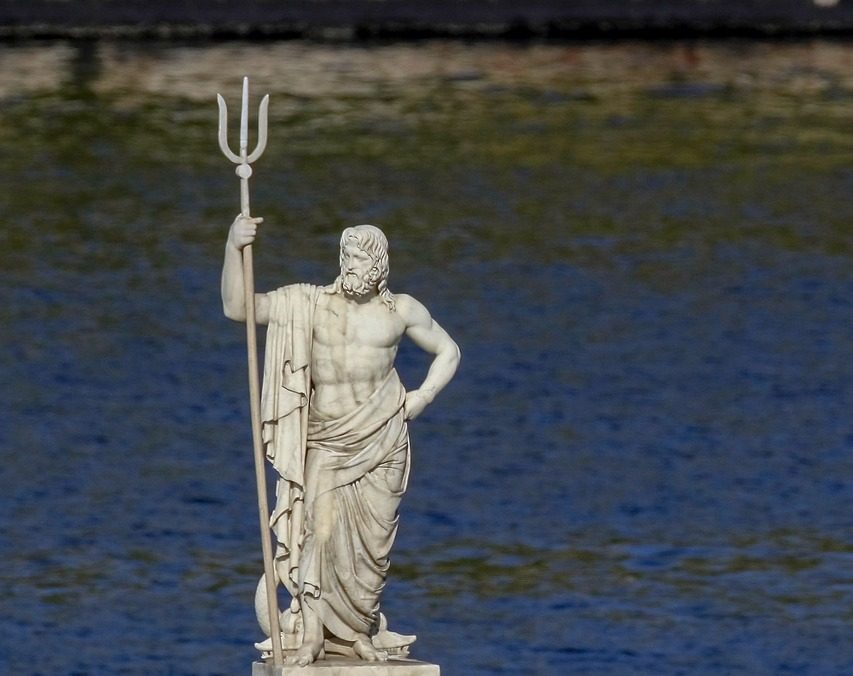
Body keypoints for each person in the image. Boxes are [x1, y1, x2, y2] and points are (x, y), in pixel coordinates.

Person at [221, 215, 460, 666]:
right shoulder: (310, 305)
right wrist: (234, 247)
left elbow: (449, 351)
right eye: (346, 256)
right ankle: (313, 635)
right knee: (321, 532)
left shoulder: (400, 311)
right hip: (328, 441)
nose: (350, 265)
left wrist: (423, 396)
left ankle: (356, 634)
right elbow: (240, 308)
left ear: (378, 265)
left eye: (359, 258)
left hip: (384, 438)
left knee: (372, 550)